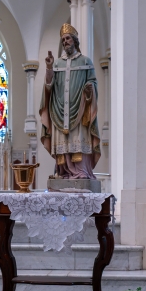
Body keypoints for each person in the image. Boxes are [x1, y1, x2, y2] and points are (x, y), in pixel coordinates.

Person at [39, 23, 101, 179]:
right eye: (63, 40)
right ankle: (64, 172)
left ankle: (81, 173)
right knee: (63, 144)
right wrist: (49, 68)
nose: (65, 41)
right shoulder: (57, 63)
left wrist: (89, 90)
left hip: (79, 110)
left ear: (74, 40)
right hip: (59, 110)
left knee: (78, 141)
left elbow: (93, 83)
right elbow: (48, 86)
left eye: (68, 38)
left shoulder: (86, 61)